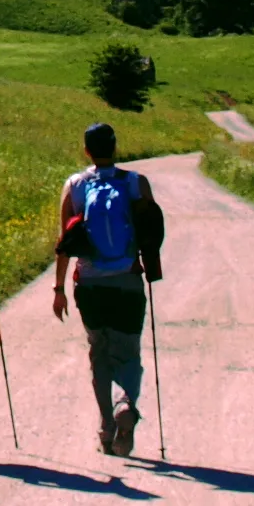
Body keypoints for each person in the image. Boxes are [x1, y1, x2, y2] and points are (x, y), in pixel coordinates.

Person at [49, 121, 166, 458]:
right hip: (127, 280)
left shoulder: (75, 186)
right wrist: (150, 272)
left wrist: (58, 288)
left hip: (89, 284)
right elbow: (150, 235)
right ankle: (125, 404)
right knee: (127, 351)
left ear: (86, 150)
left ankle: (106, 428)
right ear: (115, 147)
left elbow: (65, 244)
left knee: (99, 352)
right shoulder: (136, 183)